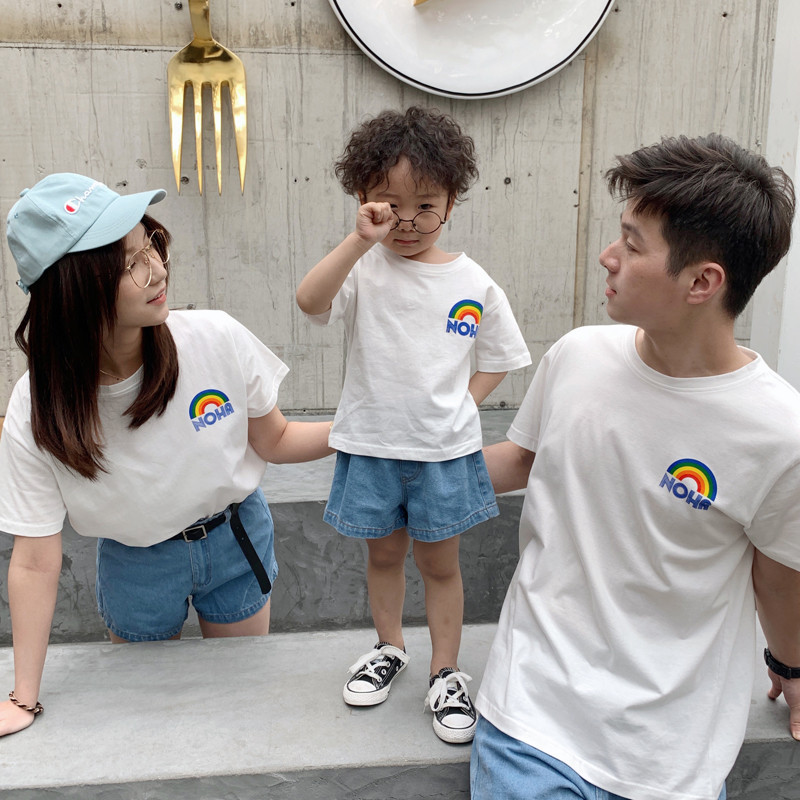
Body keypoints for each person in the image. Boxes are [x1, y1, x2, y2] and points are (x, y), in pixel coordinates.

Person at [470, 133, 800, 800]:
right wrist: (401, 472)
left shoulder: (778, 433)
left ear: (703, 281)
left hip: (670, 757)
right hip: (532, 718)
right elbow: (519, 460)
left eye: (632, 242)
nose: (608, 255)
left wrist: (790, 667)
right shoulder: (578, 356)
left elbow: (779, 579)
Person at [0, 173, 333, 737]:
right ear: (73, 291)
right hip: (136, 563)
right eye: (129, 264)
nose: (157, 269)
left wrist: (365, 430)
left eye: (150, 244)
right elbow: (34, 561)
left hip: (233, 538)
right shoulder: (37, 406)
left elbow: (274, 440)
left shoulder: (214, 337)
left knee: (242, 701)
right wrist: (22, 698)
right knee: (148, 716)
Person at [296, 106, 531, 743]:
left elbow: (501, 357)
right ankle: (389, 647)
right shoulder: (361, 267)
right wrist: (357, 241)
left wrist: (461, 404)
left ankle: (446, 671)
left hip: (443, 453)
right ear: (363, 200)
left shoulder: (472, 281)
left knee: (440, 564)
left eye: (425, 206)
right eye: (389, 204)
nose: (406, 221)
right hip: (371, 446)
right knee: (383, 555)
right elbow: (310, 301)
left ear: (452, 201)